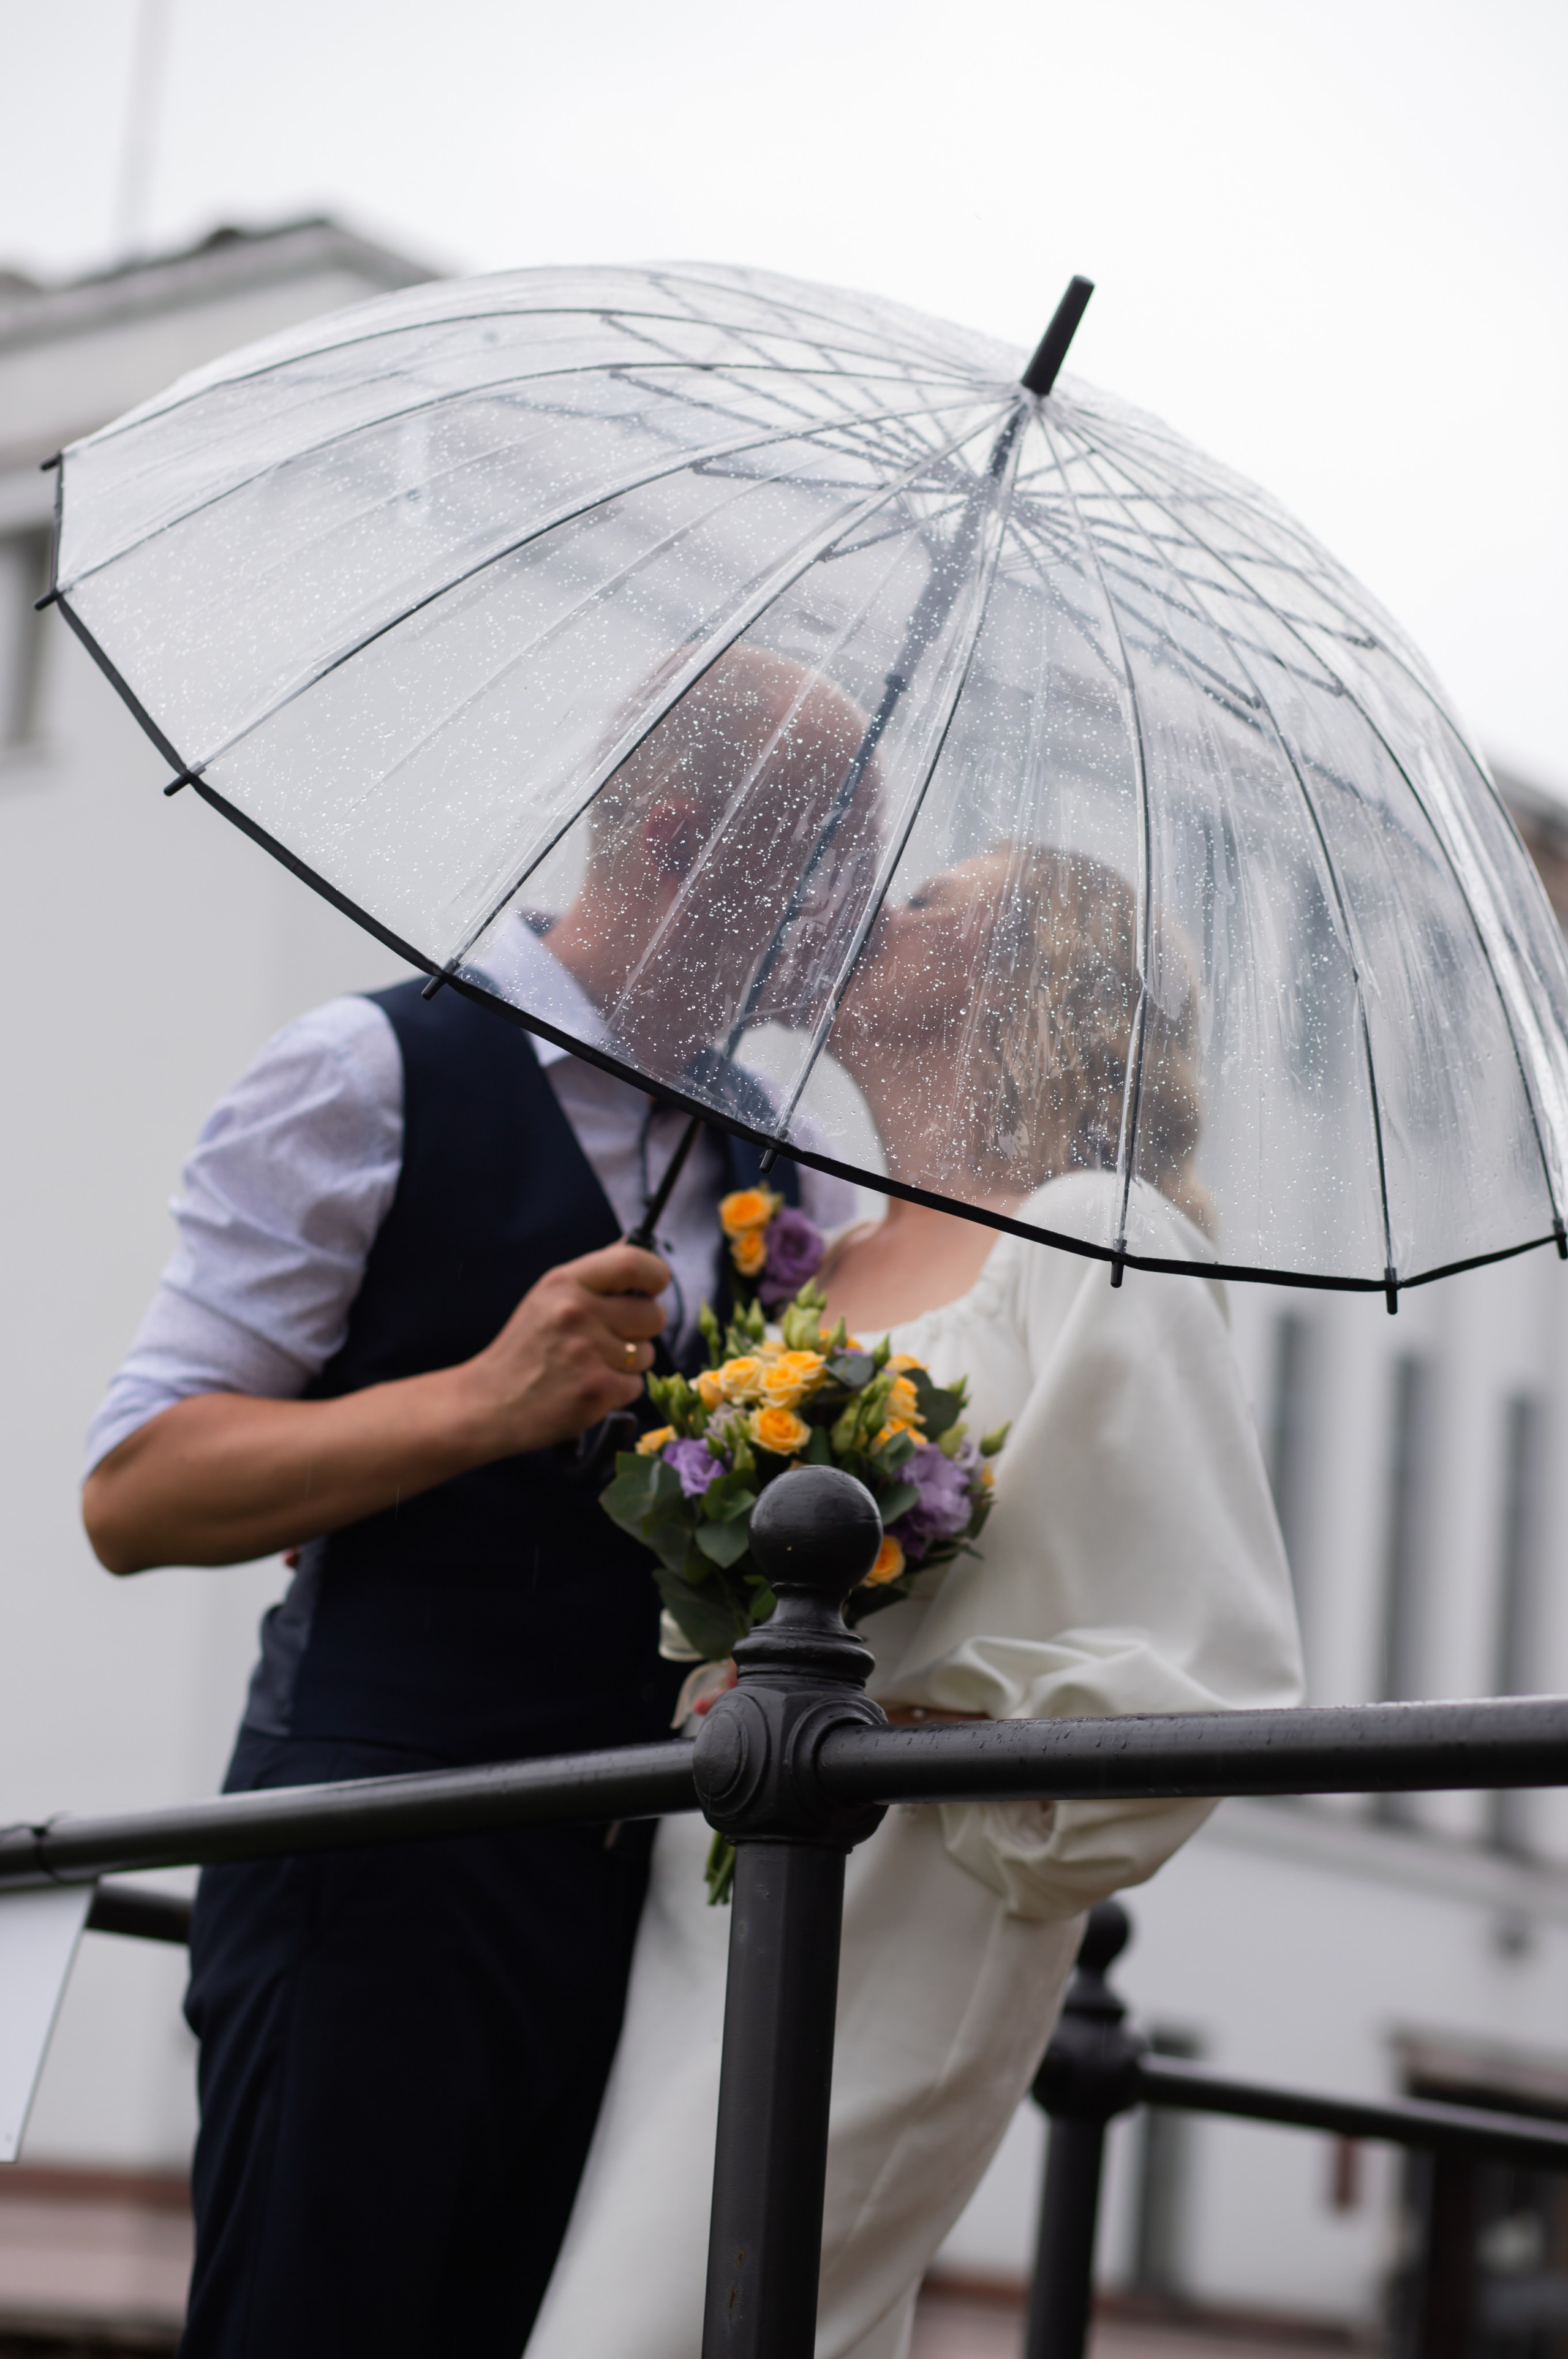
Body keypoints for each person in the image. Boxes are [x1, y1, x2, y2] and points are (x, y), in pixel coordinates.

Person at [80, 648, 870, 2359]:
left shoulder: (777, 1160)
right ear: (677, 838)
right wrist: (477, 1401)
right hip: (367, 1867)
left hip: (625, 1895)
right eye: (826, 876)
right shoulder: (367, 1071)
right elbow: (135, 1491)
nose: (847, 931)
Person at [523, 845, 1305, 2359]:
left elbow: (1205, 1650)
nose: (871, 910)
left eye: (932, 903)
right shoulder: (819, 1258)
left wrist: (945, 1733)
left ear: (1027, 978)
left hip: (926, 1880)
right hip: (726, 1861)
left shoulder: (1092, 1232)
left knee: (647, 2330)